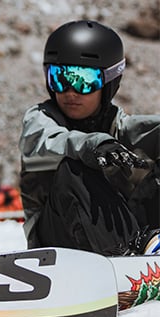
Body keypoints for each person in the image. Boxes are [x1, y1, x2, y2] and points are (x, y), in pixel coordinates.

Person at [19, 20, 160, 256]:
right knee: (73, 169)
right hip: (57, 245)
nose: (70, 91)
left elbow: (143, 129)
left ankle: (149, 252)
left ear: (109, 82)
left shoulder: (118, 126)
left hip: (123, 237)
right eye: (59, 78)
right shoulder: (40, 119)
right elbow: (45, 143)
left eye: (83, 80)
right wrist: (92, 145)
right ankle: (127, 259)